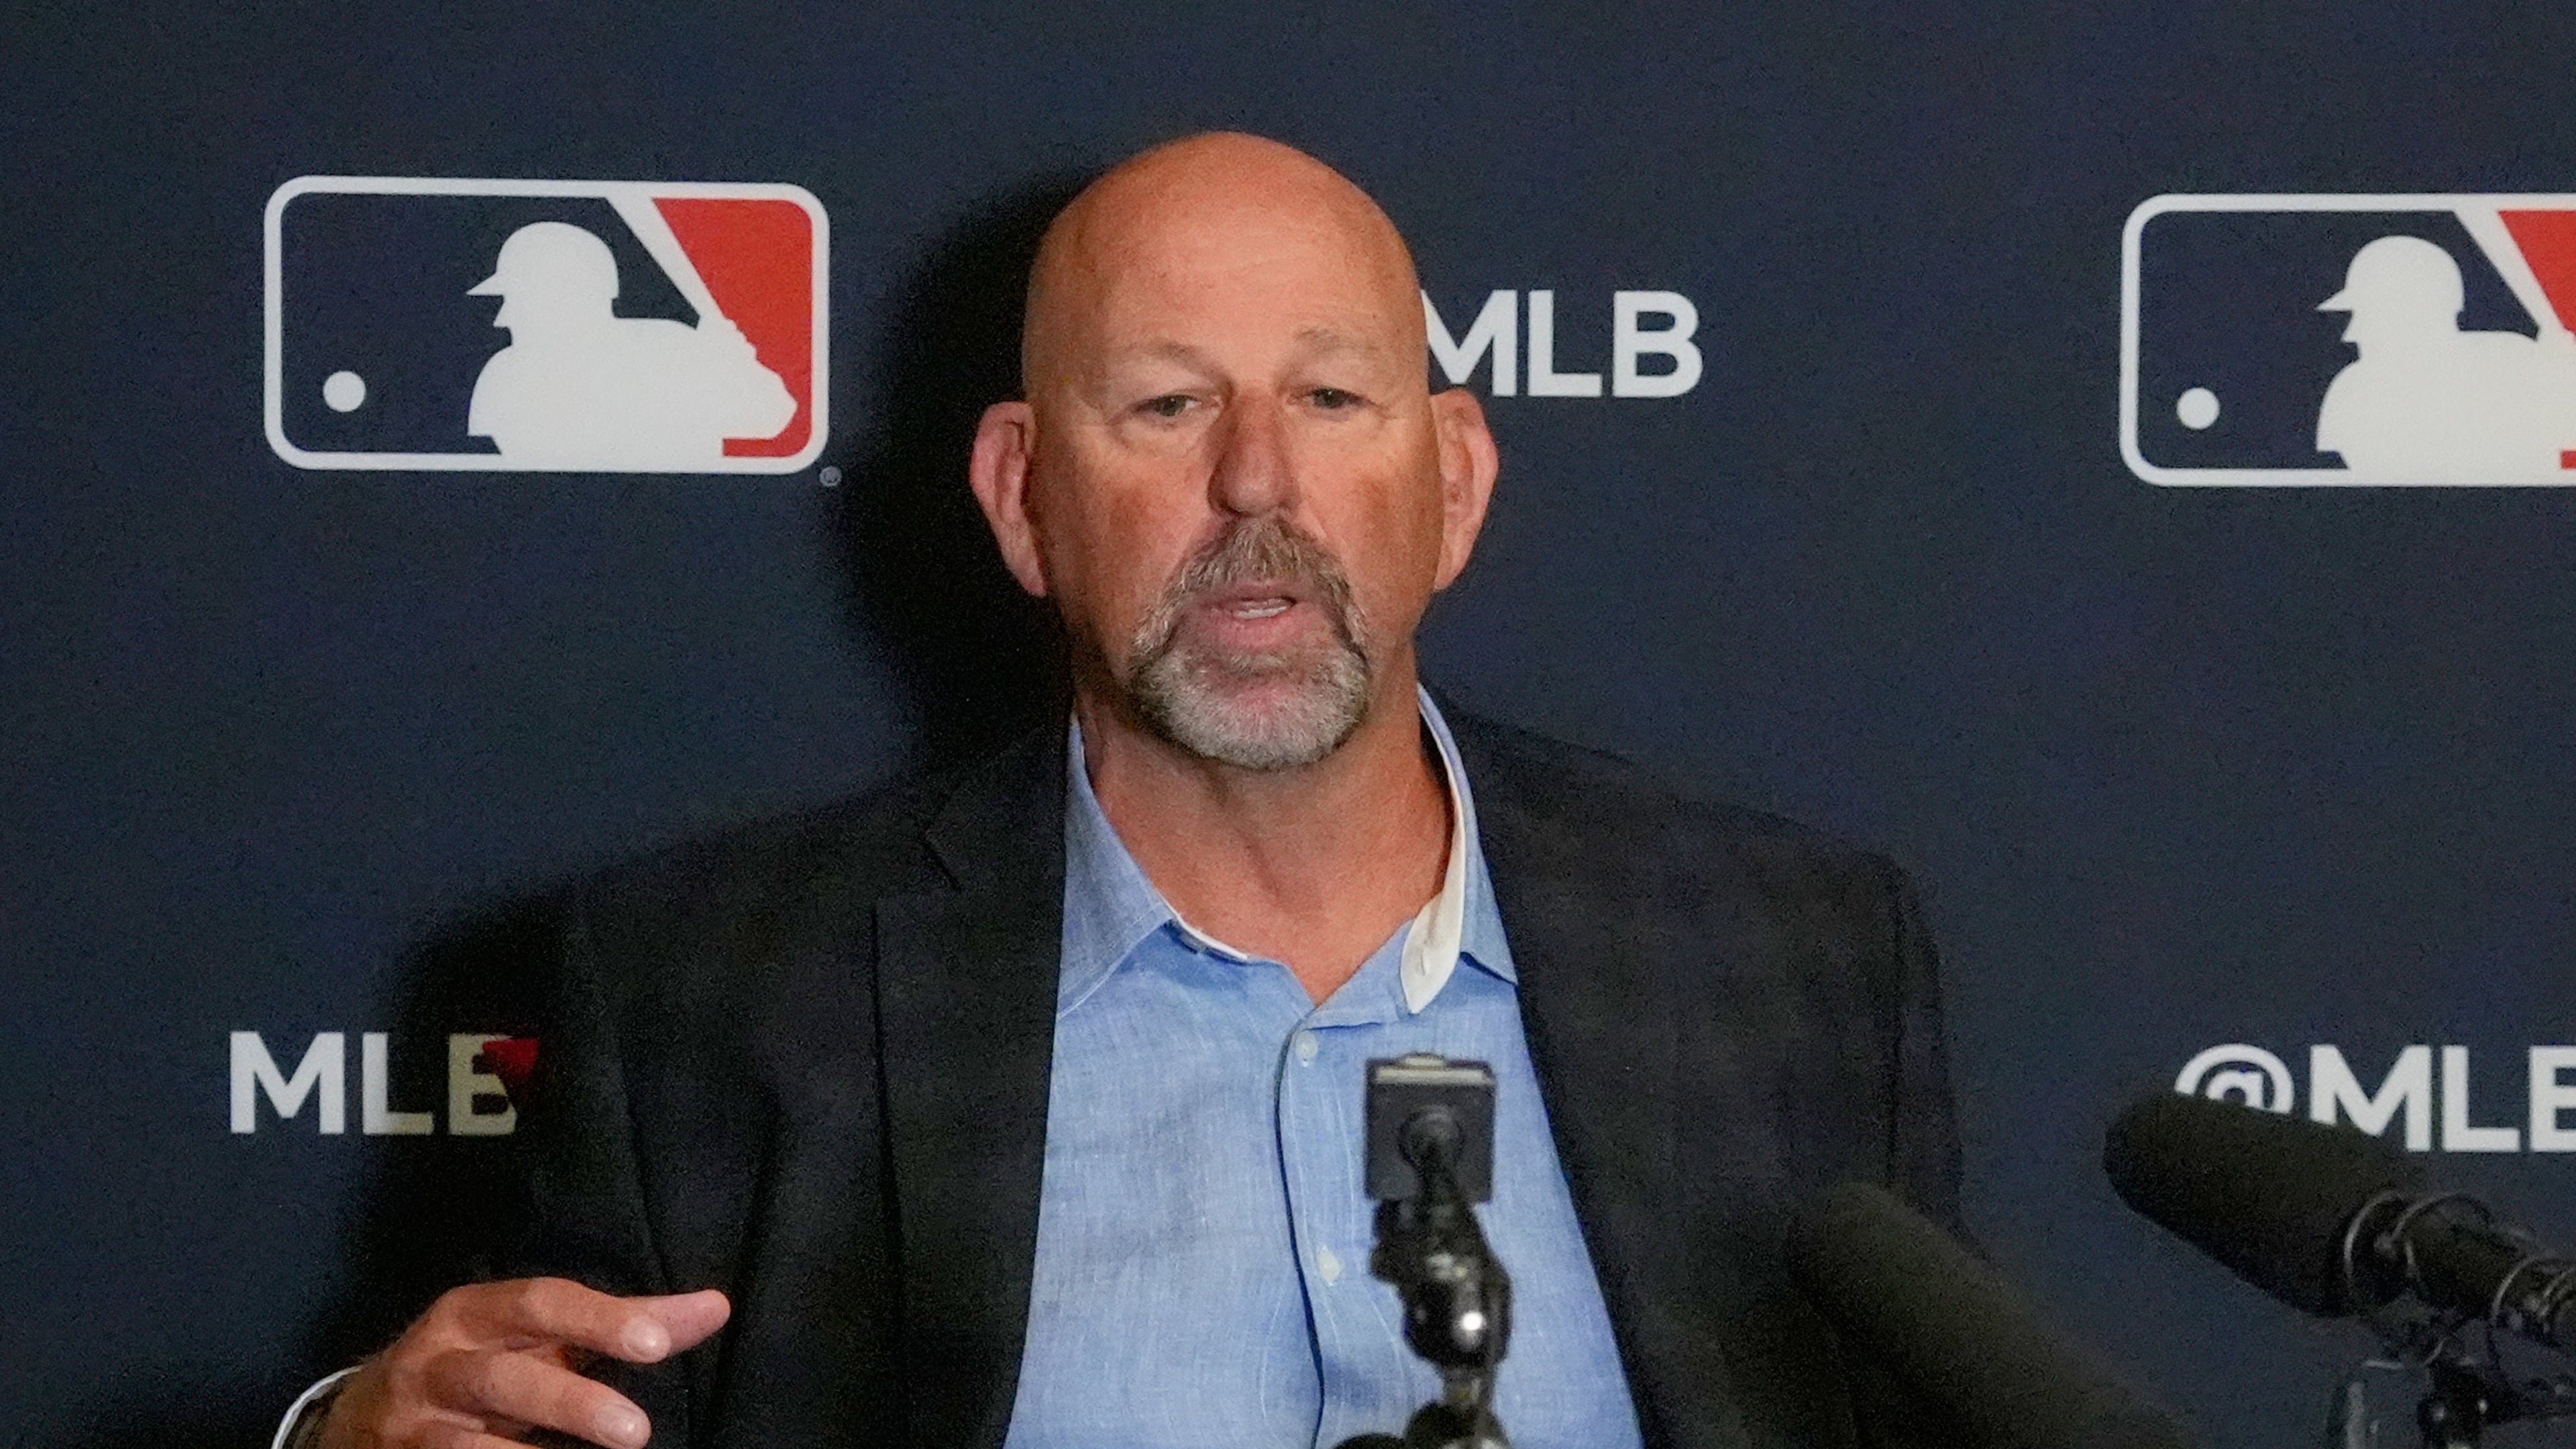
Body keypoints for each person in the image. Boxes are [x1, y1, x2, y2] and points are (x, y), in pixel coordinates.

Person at [289, 132, 1960, 1449]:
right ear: (1023, 498)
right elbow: (502, 1413)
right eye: (1166, 404)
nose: (1256, 480)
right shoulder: (715, 996)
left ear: (1451, 485)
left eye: (1329, 398)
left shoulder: (1793, 958)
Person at [466, 221, 795, 468]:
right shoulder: (509, 375)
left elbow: (772, 418)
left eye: (518, 300)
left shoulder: (673, 348)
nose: (502, 319)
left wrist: (734, 368)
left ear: (569, 298)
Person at [2314, 233, 2576, 480]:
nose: (2351, 335)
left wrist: (2562, 377)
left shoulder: (2515, 362)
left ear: (2418, 313)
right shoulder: (2356, 390)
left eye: (2370, 315)